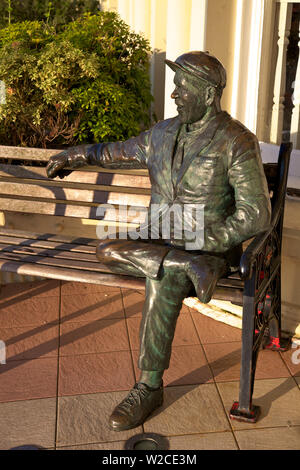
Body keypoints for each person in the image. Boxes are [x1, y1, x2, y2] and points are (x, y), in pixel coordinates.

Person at [46, 51, 271, 431]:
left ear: (209, 93)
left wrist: (206, 239)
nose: (175, 94)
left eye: (183, 87)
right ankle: (183, 265)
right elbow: (114, 153)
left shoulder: (236, 141)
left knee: (160, 279)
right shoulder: (162, 133)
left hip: (208, 246)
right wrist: (76, 154)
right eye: (175, 86)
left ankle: (149, 386)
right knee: (106, 247)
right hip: (161, 236)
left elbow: (256, 214)